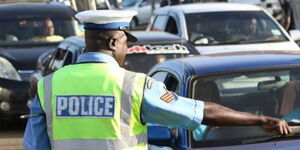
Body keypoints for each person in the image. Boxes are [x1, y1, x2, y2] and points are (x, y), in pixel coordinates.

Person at [23, 10, 291, 150]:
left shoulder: (49, 86)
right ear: (114, 41)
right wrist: (262, 120)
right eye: (127, 43)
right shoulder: (134, 85)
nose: (127, 51)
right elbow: (203, 113)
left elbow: (35, 145)